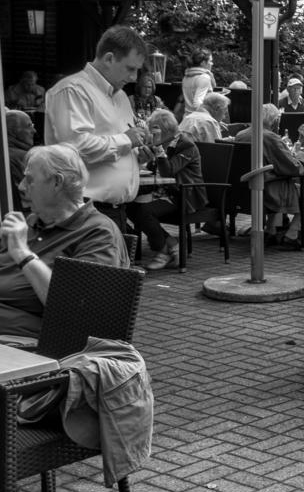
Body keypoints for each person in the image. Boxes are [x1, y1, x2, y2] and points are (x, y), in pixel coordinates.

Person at [0, 145, 128, 341]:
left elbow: (77, 309)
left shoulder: (98, 232)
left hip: (33, 347)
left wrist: (23, 254)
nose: (21, 187)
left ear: (57, 182)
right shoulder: (28, 223)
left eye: (30, 180)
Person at [44, 24, 152, 205]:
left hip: (116, 210)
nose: (134, 78)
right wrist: (127, 140)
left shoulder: (122, 97)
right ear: (109, 58)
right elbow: (75, 148)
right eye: (130, 69)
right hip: (82, 209)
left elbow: (118, 149)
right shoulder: (72, 90)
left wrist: (138, 157)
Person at [127, 109, 205, 270]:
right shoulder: (163, 142)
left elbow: (168, 171)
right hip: (162, 190)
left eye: (155, 130)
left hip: (182, 194)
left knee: (144, 211)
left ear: (166, 130)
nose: (152, 134)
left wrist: (159, 152)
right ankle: (169, 243)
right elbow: (151, 167)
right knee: (128, 206)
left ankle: (163, 250)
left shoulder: (185, 144)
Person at [237, 104, 304, 246]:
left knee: (288, 182)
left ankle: (271, 230)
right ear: (274, 121)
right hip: (268, 190)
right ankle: (293, 234)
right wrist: (301, 157)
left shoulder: (241, 135)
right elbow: (293, 167)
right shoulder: (270, 137)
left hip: (245, 190)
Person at [181, 48, 216, 118]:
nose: (212, 64)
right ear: (203, 63)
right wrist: (214, 119)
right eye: (210, 61)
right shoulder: (204, 77)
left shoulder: (186, 76)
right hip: (199, 121)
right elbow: (197, 103)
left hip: (187, 119)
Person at [6, 110, 35, 195]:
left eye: (32, 125)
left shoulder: (6, 154)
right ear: (12, 131)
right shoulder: (26, 158)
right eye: (29, 126)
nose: (34, 130)